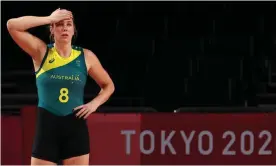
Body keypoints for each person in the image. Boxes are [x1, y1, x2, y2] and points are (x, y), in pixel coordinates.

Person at [7, 8, 115, 165]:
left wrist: (94, 104)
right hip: (47, 128)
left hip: (75, 128)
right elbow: (12, 25)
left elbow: (108, 85)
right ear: (52, 29)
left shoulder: (86, 56)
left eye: (68, 24)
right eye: (59, 24)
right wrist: (48, 18)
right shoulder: (41, 52)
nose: (64, 28)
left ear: (73, 30)